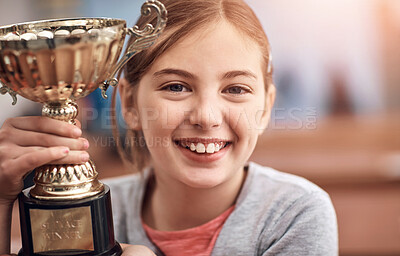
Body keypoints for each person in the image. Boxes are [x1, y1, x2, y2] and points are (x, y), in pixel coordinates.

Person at [0, 0, 338, 255]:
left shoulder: (295, 213)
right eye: (176, 87)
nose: (206, 117)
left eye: (235, 89)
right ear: (129, 105)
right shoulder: (93, 212)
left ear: (265, 108)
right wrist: (1, 200)